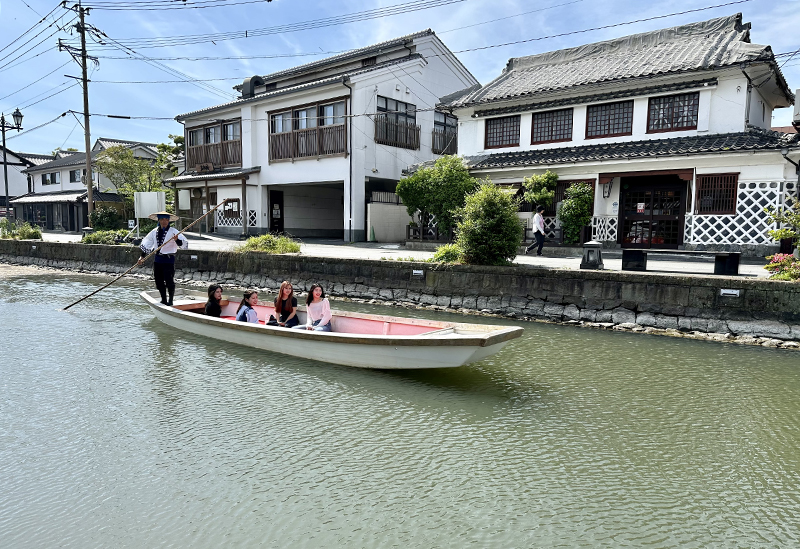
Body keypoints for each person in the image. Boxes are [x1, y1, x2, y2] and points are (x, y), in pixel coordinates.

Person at [138, 211, 188, 306]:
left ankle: (171, 300)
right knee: (158, 281)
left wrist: (176, 240)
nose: (164, 221)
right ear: (159, 220)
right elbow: (147, 244)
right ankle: (163, 299)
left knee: (169, 280)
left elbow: (182, 244)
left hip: (169, 259)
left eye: (166, 219)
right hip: (158, 259)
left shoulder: (174, 231)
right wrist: (142, 257)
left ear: (168, 221)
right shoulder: (154, 231)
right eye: (162, 219)